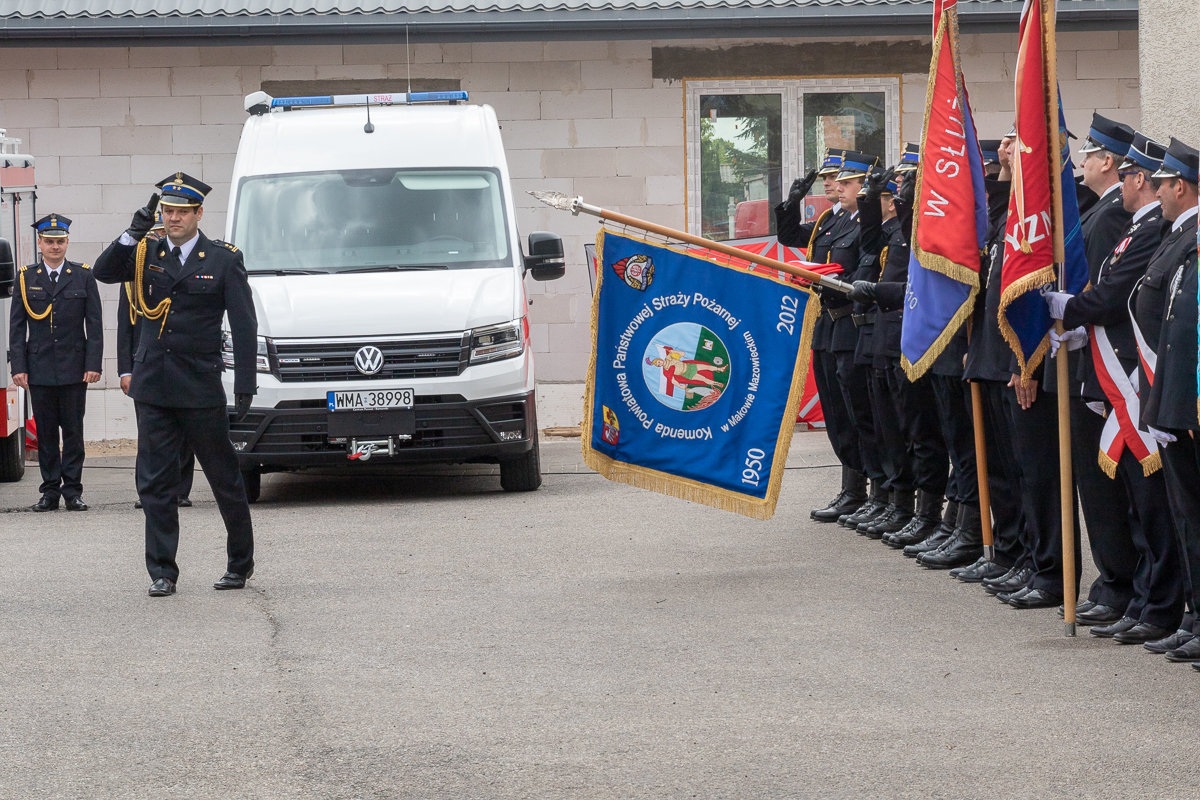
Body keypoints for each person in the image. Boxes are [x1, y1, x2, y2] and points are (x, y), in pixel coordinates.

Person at [93, 173, 258, 598]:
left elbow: (244, 324)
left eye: (182, 212)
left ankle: (239, 564)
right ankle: (163, 571)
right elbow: (103, 272)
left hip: (199, 386)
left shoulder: (222, 259)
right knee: (155, 483)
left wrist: (246, 383)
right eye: (167, 211)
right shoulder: (144, 251)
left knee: (224, 478)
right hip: (154, 386)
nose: (173, 218)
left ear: (199, 213)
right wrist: (132, 232)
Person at [1047, 131, 1176, 637]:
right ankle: (1146, 599)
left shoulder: (1149, 230)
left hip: (1131, 374)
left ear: (1139, 179)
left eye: (1127, 176)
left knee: (1150, 502)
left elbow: (1115, 294)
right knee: (1137, 501)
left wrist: (1072, 309)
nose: (1121, 184)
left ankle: (1156, 603)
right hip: (1113, 370)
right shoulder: (1135, 228)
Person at [776, 150, 870, 523]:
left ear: (864, 184)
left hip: (851, 324)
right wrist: (792, 203)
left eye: (841, 179)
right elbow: (790, 236)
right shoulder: (830, 219)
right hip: (827, 326)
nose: (831, 184)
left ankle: (872, 492)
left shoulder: (866, 223)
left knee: (858, 412)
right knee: (836, 414)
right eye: (829, 179)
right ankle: (852, 489)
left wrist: (829, 279)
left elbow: (864, 272)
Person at [1137, 137, 1200, 658]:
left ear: (1182, 186)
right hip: (1176, 402)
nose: (1156, 192)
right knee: (1187, 517)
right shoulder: (1180, 243)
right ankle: (1195, 614)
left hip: (1191, 403)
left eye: (1162, 184)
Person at [8, 214, 103, 511]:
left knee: (73, 433)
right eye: (49, 241)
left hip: (74, 367)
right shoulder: (26, 278)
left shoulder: (83, 276)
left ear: (67, 242)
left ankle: (72, 491)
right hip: (40, 368)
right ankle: (49, 491)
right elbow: (16, 327)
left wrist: (93, 364)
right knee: (47, 433)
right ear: (39, 243)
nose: (55, 247)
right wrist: (18, 367)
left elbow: (95, 325)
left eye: (60, 241)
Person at [117, 213, 197, 510]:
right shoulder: (135, 277)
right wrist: (125, 370)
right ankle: (149, 490)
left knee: (185, 433)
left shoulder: (188, 269)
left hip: (183, 363)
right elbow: (125, 327)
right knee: (150, 435)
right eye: (151, 235)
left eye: (160, 233)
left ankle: (180, 490)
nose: (156, 239)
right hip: (146, 365)